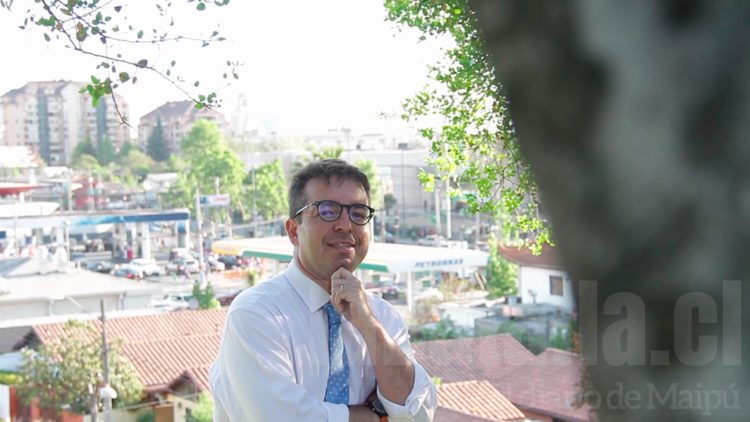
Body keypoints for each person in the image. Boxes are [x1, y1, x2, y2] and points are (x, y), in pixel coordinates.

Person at [210, 159, 437, 421]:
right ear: (294, 231)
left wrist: (368, 324)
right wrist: (378, 415)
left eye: (358, 213)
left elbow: (419, 413)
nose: (345, 225)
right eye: (328, 211)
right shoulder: (257, 313)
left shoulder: (382, 316)